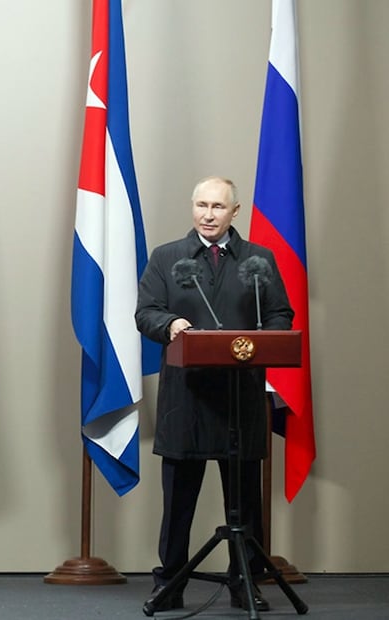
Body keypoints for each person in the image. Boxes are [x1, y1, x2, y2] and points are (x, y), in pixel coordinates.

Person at [135, 176, 293, 613]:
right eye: (201, 205)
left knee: (244, 503)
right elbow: (146, 311)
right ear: (193, 207)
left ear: (234, 212)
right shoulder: (167, 258)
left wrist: (266, 339)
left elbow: (281, 314)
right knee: (179, 502)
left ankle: (246, 585)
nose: (208, 214)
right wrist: (170, 326)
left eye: (217, 207)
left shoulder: (259, 259)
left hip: (240, 400)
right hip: (186, 399)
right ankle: (170, 584)